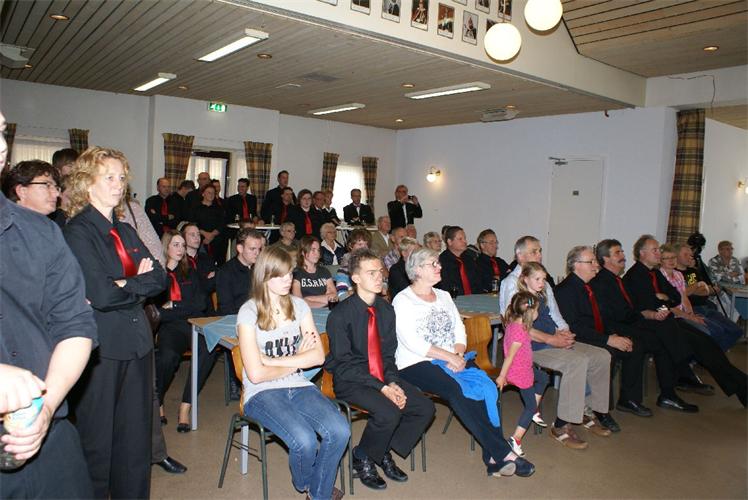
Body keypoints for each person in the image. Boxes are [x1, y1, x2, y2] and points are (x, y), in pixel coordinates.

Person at [63, 147, 167, 498]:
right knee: (97, 443)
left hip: (139, 343)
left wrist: (125, 284)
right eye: (108, 177)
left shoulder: (126, 231)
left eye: (122, 177)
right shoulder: (78, 231)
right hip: (103, 350)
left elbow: (160, 278)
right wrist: (136, 282)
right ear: (86, 182)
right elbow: (101, 294)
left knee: (135, 442)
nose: (118, 184)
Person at [0, 129, 97, 497]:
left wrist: (47, 405)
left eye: (2, 131)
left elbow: (76, 325)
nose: (1, 144)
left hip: (45, 429)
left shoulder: (42, 233)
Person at [393, 248, 534, 477]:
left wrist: (458, 354)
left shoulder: (444, 296)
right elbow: (412, 342)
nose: (439, 267)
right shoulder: (402, 300)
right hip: (416, 363)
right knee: (458, 391)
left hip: (453, 357)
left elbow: (460, 329)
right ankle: (503, 453)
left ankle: (492, 456)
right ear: (417, 270)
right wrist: (450, 357)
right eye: (433, 264)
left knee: (487, 387)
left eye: (438, 263)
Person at [237, 246, 349, 500]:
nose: (288, 279)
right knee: (305, 440)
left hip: (298, 385)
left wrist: (273, 361)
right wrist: (298, 359)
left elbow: (318, 357)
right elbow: (256, 375)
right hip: (261, 393)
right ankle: (310, 486)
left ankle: (317, 494)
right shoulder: (249, 312)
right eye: (281, 275)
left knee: (340, 430)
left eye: (290, 273)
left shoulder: (299, 306)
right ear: (265, 277)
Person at [326, 249, 434, 490]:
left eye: (380, 272)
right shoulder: (340, 315)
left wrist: (392, 382)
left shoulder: (386, 311)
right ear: (355, 278)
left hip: (382, 375)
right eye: (371, 273)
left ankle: (377, 449)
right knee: (389, 412)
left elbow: (387, 355)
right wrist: (382, 388)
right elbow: (344, 365)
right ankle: (363, 457)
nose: (379, 277)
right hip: (350, 380)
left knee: (424, 408)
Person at [499, 236, 612, 449]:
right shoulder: (511, 284)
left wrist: (565, 333)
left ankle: (586, 408)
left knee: (601, 356)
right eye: (534, 251)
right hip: (529, 346)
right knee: (576, 362)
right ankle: (561, 425)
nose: (539, 255)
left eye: (540, 251)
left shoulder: (542, 281)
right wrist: (552, 339)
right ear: (519, 256)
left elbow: (555, 314)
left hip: (552, 337)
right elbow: (516, 325)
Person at [624, 235, 746, 407]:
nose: (659, 253)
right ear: (642, 253)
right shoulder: (637, 275)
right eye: (655, 250)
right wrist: (666, 302)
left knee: (707, 342)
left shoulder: (672, 273)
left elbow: (676, 296)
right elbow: (648, 306)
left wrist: (664, 299)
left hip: (673, 316)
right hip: (652, 322)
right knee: (700, 345)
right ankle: (734, 385)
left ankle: (739, 385)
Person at [591, 239, 698, 413]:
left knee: (662, 335)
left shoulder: (617, 280)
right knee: (646, 340)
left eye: (622, 251)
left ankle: (669, 392)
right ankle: (630, 399)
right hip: (614, 327)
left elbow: (643, 305)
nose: (623, 255)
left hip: (629, 321)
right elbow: (616, 315)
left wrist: (650, 313)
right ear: (605, 259)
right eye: (617, 253)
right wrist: (645, 315)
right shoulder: (602, 282)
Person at [556, 246, 650, 423]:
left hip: (595, 335)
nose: (596, 265)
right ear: (576, 265)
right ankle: (600, 409)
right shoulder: (565, 290)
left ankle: (629, 400)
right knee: (608, 353)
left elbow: (603, 316)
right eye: (590, 262)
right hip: (578, 339)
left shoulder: (590, 287)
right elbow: (573, 327)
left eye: (595, 261)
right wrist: (608, 339)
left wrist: (615, 335)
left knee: (634, 345)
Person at [154, 231, 215, 433]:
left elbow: (200, 305)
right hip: (169, 327)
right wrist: (179, 308)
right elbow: (158, 313)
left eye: (182, 245)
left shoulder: (190, 272)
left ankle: (185, 406)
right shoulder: (157, 274)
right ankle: (158, 401)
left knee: (208, 351)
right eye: (176, 245)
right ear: (166, 247)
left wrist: (174, 305)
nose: (181, 249)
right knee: (167, 357)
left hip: (192, 324)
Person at [661, 244, 742, 351]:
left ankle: (714, 354)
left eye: (690, 255)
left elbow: (706, 291)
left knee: (737, 331)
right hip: (691, 309)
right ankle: (711, 355)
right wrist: (697, 286)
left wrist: (698, 288)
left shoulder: (691, 272)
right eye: (686, 254)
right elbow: (682, 294)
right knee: (717, 331)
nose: (690, 257)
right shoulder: (667, 274)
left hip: (704, 306)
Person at [497, 292, 549, 457]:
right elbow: (509, 357)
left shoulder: (515, 324)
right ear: (529, 312)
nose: (538, 313)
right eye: (537, 310)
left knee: (544, 378)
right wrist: (502, 376)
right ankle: (516, 439)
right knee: (530, 406)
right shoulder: (519, 331)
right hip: (520, 373)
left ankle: (534, 410)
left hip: (525, 368)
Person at [216, 228, 265, 316]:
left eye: (259, 249)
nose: (257, 253)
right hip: (235, 318)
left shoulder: (260, 268)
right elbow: (226, 309)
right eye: (252, 249)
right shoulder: (226, 272)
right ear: (240, 249)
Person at [292, 236, 338, 308]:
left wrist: (308, 299)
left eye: (318, 250)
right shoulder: (296, 273)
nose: (317, 253)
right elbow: (299, 302)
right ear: (303, 252)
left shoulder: (324, 271)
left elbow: (334, 296)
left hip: (326, 311)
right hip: (306, 312)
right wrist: (324, 301)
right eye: (313, 250)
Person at [438, 226, 480, 296]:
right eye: (460, 239)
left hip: (474, 298)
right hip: (454, 299)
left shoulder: (469, 259)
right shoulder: (442, 261)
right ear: (450, 242)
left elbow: (477, 283)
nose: (465, 241)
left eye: (465, 238)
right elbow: (444, 287)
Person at [193, 184, 227, 265]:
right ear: (203, 194)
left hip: (217, 238)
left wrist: (212, 235)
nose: (211, 195)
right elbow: (193, 223)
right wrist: (205, 234)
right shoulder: (195, 208)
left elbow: (222, 223)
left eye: (213, 193)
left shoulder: (219, 208)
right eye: (209, 192)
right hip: (200, 237)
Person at [181, 222, 217, 294]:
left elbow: (216, 280)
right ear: (183, 238)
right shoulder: (179, 261)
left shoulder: (206, 258)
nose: (197, 238)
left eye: (198, 234)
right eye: (192, 235)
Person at [475, 229, 511, 293]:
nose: (495, 246)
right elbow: (489, 285)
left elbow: (511, 276)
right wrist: (504, 276)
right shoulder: (477, 264)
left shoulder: (500, 261)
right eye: (491, 243)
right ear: (482, 245)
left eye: (496, 242)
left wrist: (498, 278)